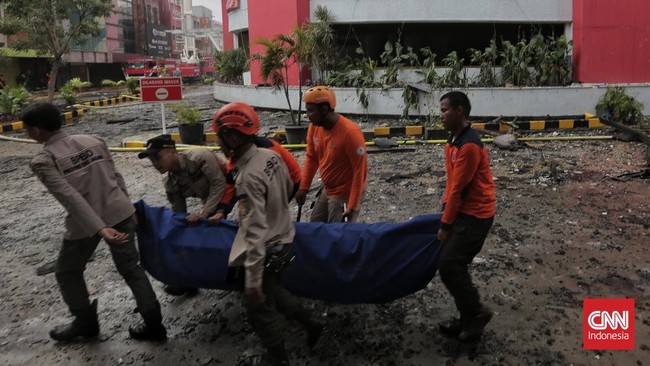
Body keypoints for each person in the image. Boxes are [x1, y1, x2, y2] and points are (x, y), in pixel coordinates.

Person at [21, 102, 167, 342]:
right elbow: (115, 177)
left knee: (67, 271)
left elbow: (70, 198)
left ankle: (86, 323)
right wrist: (127, 208)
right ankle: (155, 325)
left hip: (85, 225)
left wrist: (99, 228)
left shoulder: (43, 160)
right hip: (119, 214)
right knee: (131, 270)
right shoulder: (94, 140)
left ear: (37, 131)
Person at [213, 102, 323, 365]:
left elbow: (254, 231)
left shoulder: (247, 177)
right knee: (272, 291)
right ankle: (311, 323)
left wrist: (251, 281)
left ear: (232, 136)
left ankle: (277, 358)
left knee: (258, 308)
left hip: (268, 248)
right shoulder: (270, 155)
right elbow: (287, 187)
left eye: (220, 137)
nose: (219, 144)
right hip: (285, 239)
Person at [435, 91, 496, 343]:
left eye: (445, 110)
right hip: (464, 212)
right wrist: (444, 211)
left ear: (460, 111)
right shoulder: (455, 139)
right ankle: (467, 318)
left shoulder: (469, 145)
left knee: (449, 265)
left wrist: (446, 224)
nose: (441, 115)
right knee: (452, 265)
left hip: (476, 215)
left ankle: (476, 314)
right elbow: (452, 185)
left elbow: (458, 189)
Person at [138, 134, 227, 296]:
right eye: (152, 161)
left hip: (233, 189)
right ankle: (189, 279)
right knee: (191, 236)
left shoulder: (199, 157)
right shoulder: (171, 183)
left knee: (235, 231)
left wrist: (204, 213)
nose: (155, 164)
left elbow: (219, 183)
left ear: (172, 151)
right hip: (210, 201)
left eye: (157, 157)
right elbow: (178, 214)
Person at [208, 104, 302, 223]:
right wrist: (221, 210)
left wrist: (248, 217)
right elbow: (230, 183)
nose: (218, 143)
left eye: (219, 138)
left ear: (233, 139)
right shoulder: (239, 156)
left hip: (291, 179)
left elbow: (272, 196)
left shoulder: (267, 155)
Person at [294, 86, 368, 223]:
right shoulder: (314, 128)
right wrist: (304, 188)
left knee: (338, 235)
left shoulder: (350, 133)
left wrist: (352, 206)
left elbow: (360, 172)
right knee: (315, 226)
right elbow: (311, 158)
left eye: (311, 111)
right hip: (328, 190)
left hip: (344, 194)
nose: (307, 115)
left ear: (324, 109)